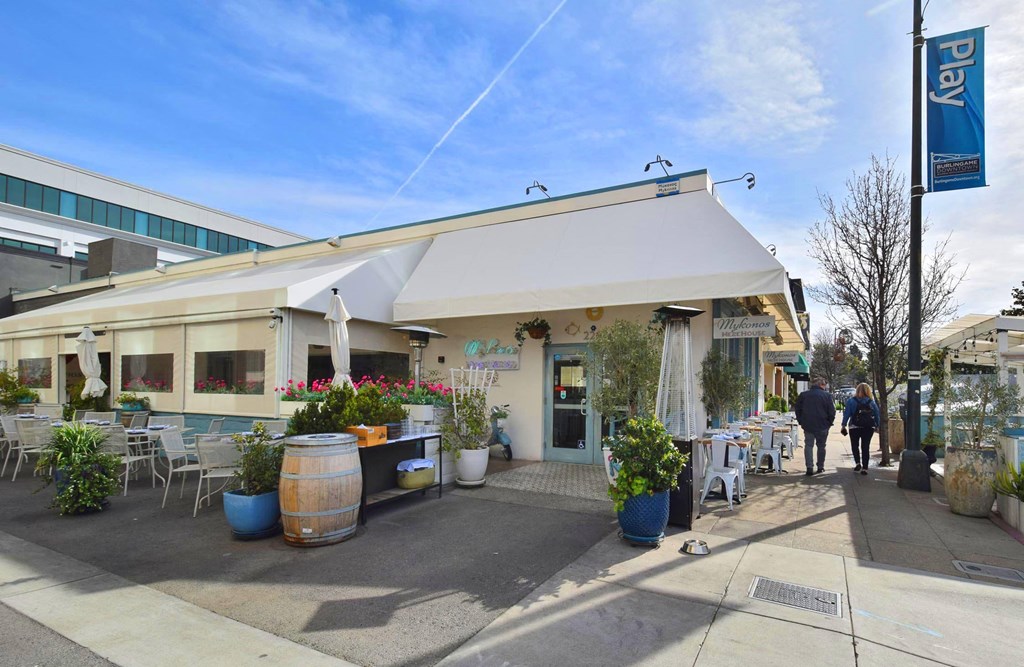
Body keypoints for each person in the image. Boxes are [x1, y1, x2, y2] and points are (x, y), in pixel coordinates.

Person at [794, 377, 836, 476]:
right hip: (823, 424)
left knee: (808, 445)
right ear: (821, 385)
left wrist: (801, 421)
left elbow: (797, 409)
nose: (825, 386)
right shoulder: (827, 396)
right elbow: (832, 411)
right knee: (821, 446)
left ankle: (809, 467)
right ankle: (820, 466)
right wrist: (829, 422)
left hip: (808, 424)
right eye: (824, 384)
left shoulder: (804, 395)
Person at [841, 383, 881, 476]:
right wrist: (877, 425)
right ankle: (865, 467)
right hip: (868, 427)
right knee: (865, 447)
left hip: (854, 426)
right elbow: (876, 414)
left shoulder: (851, 401)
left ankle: (858, 463)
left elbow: (846, 414)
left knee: (855, 446)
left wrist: (843, 425)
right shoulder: (871, 402)